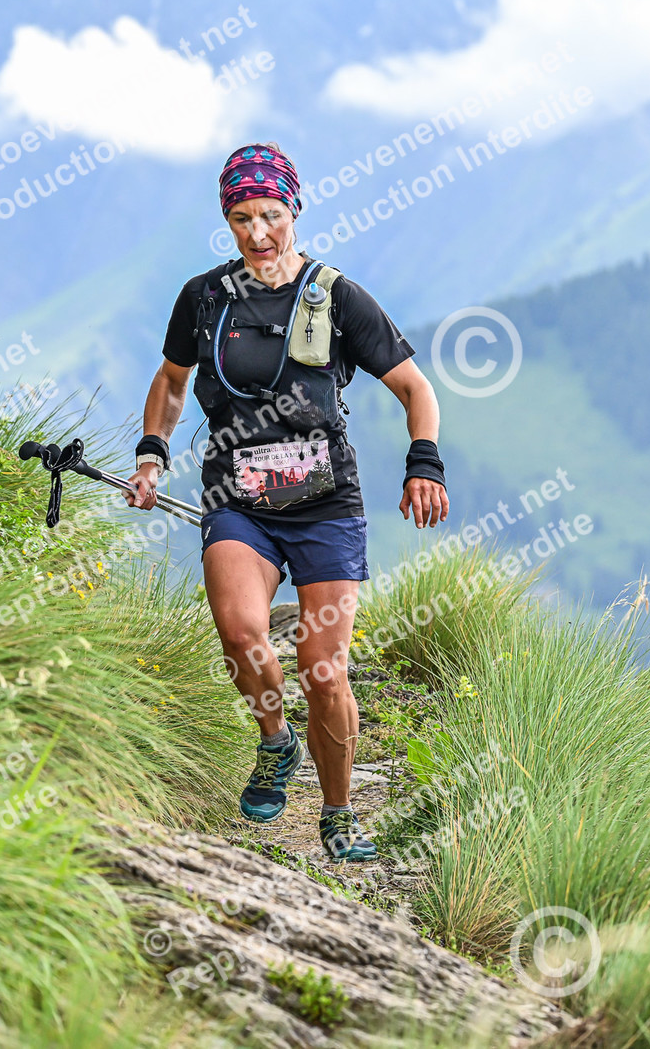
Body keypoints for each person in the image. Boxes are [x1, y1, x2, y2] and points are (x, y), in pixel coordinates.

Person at [128, 142, 449, 861]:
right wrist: (152, 452)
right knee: (241, 631)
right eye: (242, 218)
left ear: (294, 210)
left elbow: (414, 388)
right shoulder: (204, 298)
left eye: (270, 215)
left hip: (324, 504)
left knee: (323, 670)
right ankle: (276, 741)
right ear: (227, 221)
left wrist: (424, 463)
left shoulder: (335, 296)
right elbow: (172, 381)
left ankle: (339, 813)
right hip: (237, 498)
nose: (258, 232)